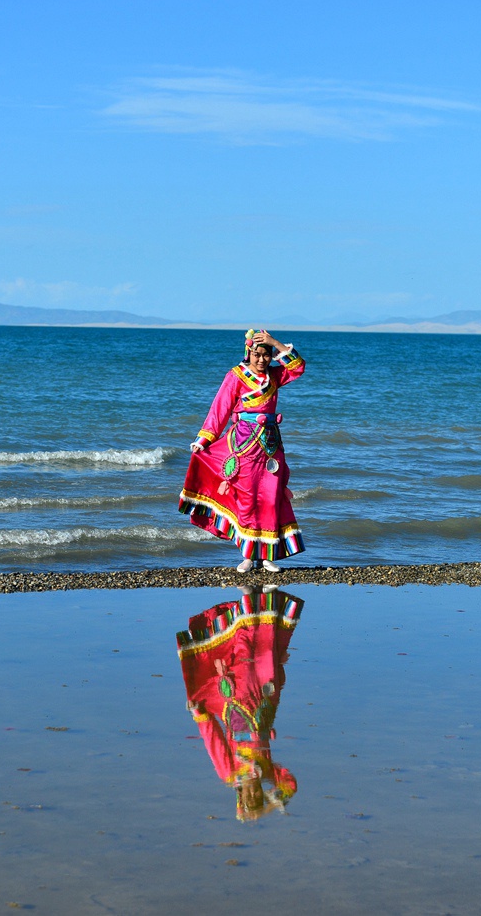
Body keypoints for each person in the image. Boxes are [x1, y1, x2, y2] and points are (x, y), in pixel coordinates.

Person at [179, 329, 305, 573]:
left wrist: (274, 342)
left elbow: (298, 367)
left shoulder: (275, 376)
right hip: (243, 446)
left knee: (270, 498)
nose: (261, 360)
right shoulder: (235, 376)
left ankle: (267, 555)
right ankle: (248, 555)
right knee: (247, 498)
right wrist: (204, 440)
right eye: (257, 355)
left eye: (266, 355)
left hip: (270, 447)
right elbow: (220, 409)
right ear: (248, 353)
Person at [176, 587, 304, 821]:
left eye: (249, 797)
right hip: (265, 703)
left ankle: (248, 599)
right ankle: (264, 597)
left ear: (241, 796)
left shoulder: (229, 773)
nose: (254, 793)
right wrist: (268, 808)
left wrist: (201, 716)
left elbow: (213, 742)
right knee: (265, 658)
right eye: (258, 797)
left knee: (245, 660)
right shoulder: (266, 771)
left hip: (237, 705)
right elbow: (290, 784)